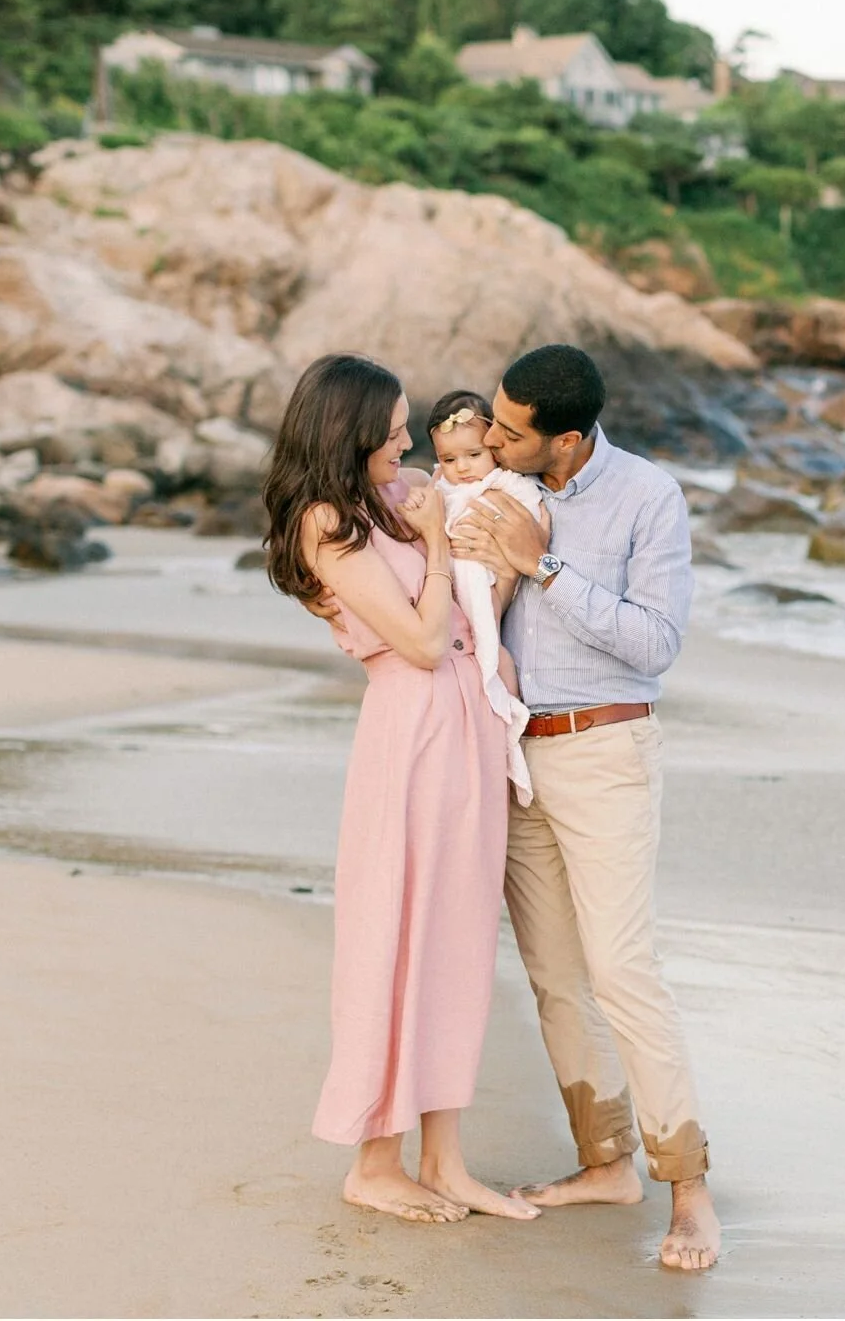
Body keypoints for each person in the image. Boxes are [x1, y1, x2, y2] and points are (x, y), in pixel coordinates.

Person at [450, 344, 721, 1271]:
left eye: (509, 429)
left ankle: (688, 1189)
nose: (488, 436)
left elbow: (656, 644)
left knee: (622, 970)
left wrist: (547, 569)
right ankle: (604, 1162)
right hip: (517, 756)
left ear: (566, 440)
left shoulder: (649, 498)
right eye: (490, 417)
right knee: (557, 976)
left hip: (607, 750)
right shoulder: (496, 484)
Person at [260, 353, 539, 1226]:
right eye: (389, 430)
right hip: (412, 730)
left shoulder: (396, 492)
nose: (406, 440)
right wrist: (430, 546)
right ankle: (374, 1159)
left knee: (457, 938)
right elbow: (418, 643)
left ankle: (445, 1159)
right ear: (348, 432)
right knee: (397, 934)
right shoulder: (323, 523)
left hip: (467, 726)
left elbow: (478, 503)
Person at [425, 390, 545, 807]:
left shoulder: (505, 483)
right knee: (470, 652)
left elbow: (537, 517)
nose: (462, 468)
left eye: (473, 455)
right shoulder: (439, 487)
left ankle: (510, 729)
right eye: (449, 460)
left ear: (492, 445)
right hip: (454, 577)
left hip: (484, 576)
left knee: (493, 652)